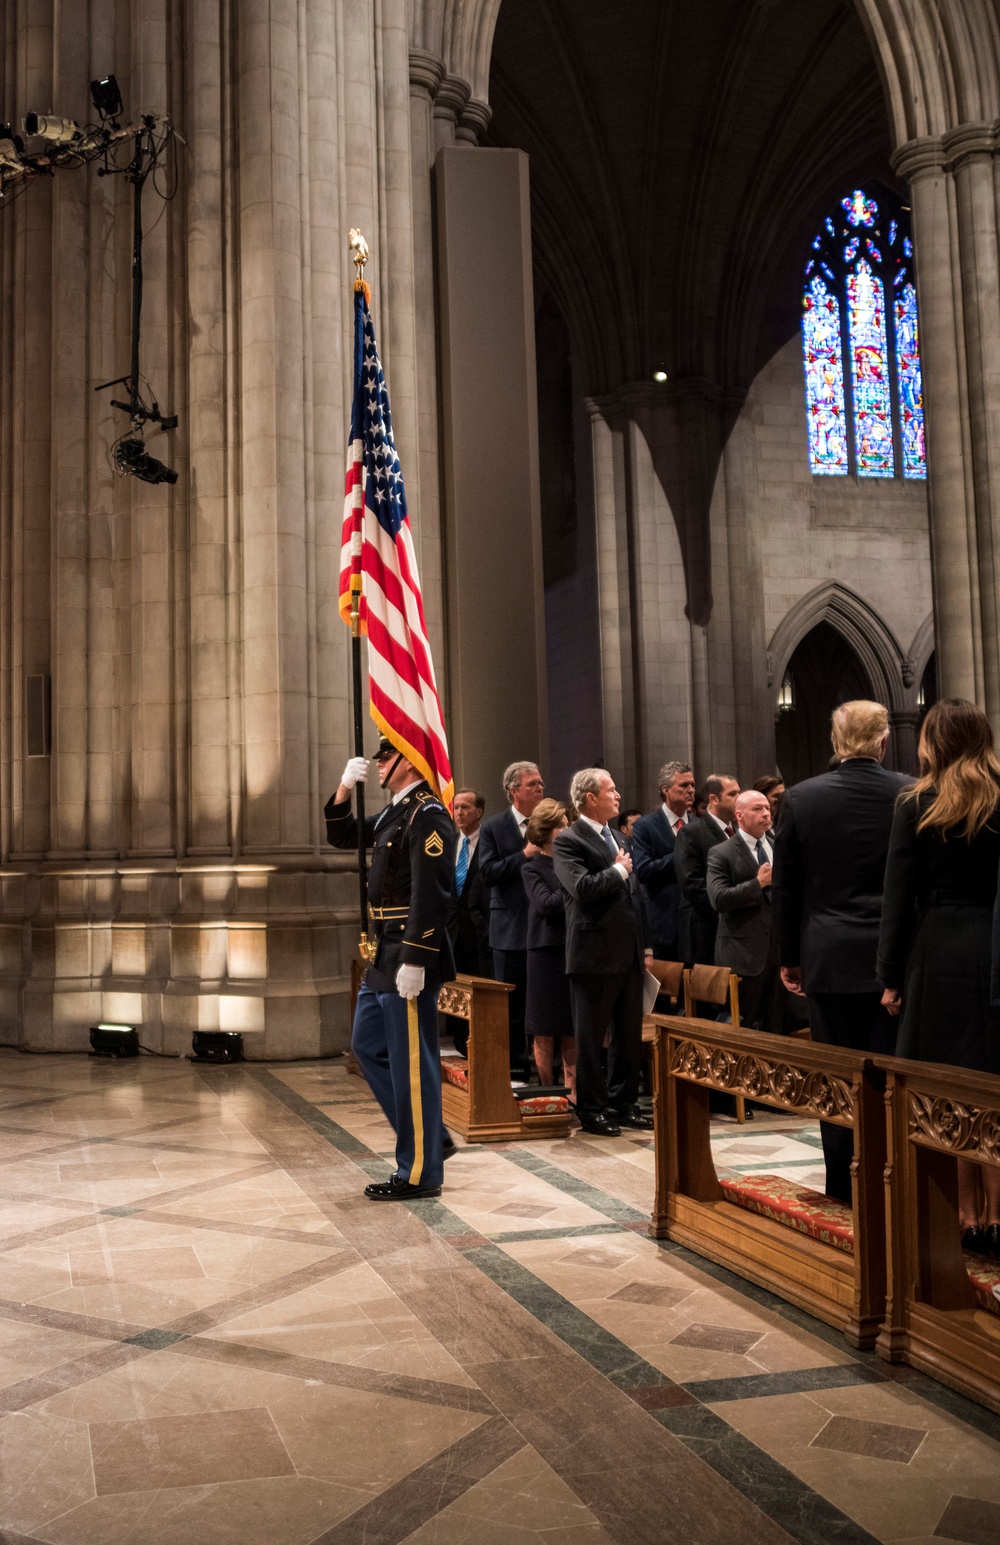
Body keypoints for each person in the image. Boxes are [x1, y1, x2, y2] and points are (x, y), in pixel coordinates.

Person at [772, 699, 909, 1203]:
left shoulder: (803, 799)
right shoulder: (907, 793)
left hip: (827, 956)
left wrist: (790, 957)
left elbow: (785, 889)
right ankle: (890, 1182)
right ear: (882, 741)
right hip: (890, 960)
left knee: (836, 1079)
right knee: (892, 1077)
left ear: (837, 741)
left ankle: (841, 1187)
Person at [878, 698, 1000, 1255]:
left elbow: (898, 899)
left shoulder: (916, 801)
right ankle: (997, 1214)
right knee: (992, 1083)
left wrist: (890, 974)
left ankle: (963, 1213)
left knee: (940, 1088)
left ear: (933, 741)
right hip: (993, 948)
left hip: (936, 952)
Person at [325, 739, 455, 1200]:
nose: (378, 765)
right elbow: (341, 836)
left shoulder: (430, 815)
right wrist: (343, 788)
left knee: (412, 1066)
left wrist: (418, 958)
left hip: (409, 953)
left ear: (408, 761)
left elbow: (433, 894)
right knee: (368, 1045)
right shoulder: (394, 814)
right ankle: (431, 1134)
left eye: (385, 757)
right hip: (384, 953)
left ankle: (420, 1172)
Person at [553, 767, 653, 1136]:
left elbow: (635, 900)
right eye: (611, 790)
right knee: (591, 1038)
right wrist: (617, 872)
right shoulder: (569, 840)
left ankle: (623, 1103)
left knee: (628, 1036)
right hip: (592, 954)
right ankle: (592, 1109)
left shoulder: (617, 837)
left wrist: (647, 946)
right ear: (590, 798)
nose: (618, 796)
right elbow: (581, 888)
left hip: (628, 952)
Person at [478, 761, 546, 1074]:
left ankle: (551, 1071)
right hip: (510, 929)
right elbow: (487, 874)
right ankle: (516, 1070)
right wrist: (525, 854)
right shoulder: (493, 827)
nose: (540, 788)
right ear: (513, 791)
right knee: (511, 1008)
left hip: (547, 928)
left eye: (540, 783)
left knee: (548, 1004)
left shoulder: (552, 823)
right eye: (532, 784)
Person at [707, 789, 786, 1034]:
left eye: (767, 808)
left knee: (778, 1029)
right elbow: (718, 899)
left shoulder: (779, 845)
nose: (766, 813)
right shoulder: (722, 852)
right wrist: (757, 883)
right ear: (739, 816)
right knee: (744, 1030)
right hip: (743, 956)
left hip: (780, 955)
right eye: (757, 809)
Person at [522, 799, 577, 1101]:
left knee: (571, 1026)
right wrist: (571, 882)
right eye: (561, 826)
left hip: (572, 949)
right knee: (543, 1027)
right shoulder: (533, 868)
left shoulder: (572, 864)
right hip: (544, 954)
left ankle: (573, 1094)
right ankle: (547, 1093)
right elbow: (546, 905)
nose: (568, 829)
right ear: (546, 833)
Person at [631, 761, 697, 960]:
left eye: (692, 785)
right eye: (684, 786)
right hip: (664, 924)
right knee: (666, 989)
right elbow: (643, 870)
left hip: (695, 924)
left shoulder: (699, 825)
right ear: (666, 790)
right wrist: (682, 853)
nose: (691, 790)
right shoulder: (645, 825)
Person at [675, 774, 740, 965]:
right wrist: (729, 906)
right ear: (713, 799)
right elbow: (691, 884)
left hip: (735, 929)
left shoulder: (737, 831)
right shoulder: (692, 832)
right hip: (706, 927)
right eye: (733, 794)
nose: (740, 798)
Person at [446, 788, 491, 1056]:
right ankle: (460, 1040)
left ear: (479, 811)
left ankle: (482, 1042)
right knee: (455, 986)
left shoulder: (490, 841)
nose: (459, 812)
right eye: (456, 808)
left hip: (480, 930)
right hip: (452, 931)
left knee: (480, 986)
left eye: (465, 807)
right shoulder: (449, 842)